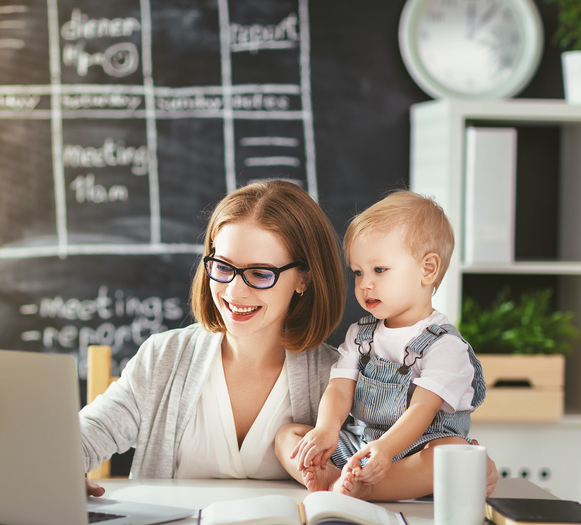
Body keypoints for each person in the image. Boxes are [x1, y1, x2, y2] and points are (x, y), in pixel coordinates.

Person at [80, 179, 346, 493]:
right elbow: (89, 432)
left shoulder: (339, 379)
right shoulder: (164, 357)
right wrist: (61, 468)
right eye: (222, 266)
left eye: (260, 273)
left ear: (304, 279)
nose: (234, 291)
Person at [275, 189, 491, 501]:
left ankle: (366, 488)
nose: (365, 284)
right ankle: (336, 477)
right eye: (358, 272)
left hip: (413, 451)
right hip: (360, 444)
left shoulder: (445, 346)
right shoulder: (361, 334)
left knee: (454, 452)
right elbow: (339, 388)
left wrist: (386, 450)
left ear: (427, 269)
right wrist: (326, 430)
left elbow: (421, 410)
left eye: (379, 270)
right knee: (288, 436)